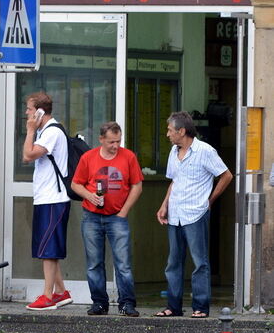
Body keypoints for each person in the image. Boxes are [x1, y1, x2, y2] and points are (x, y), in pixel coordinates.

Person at [155, 111, 233, 318]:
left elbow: (226, 175)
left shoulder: (205, 151)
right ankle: (173, 306)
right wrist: (164, 205)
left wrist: (210, 200)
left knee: (199, 262)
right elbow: (174, 181)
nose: (167, 134)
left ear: (182, 131)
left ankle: (200, 307)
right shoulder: (174, 151)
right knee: (174, 262)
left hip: (196, 213)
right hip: (176, 213)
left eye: (170, 130)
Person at [71, 121, 143, 316]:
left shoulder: (128, 157)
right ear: (101, 139)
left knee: (123, 264)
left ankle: (127, 303)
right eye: (111, 142)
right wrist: (89, 195)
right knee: (94, 262)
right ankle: (99, 303)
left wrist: (124, 211)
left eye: (118, 141)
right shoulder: (88, 157)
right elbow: (76, 184)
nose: (115, 146)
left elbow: (137, 185)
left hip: (117, 217)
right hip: (92, 216)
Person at [22, 91, 73, 311]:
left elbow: (27, 155)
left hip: (54, 198)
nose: (26, 113)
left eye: (30, 109)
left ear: (40, 112)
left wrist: (30, 131)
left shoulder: (51, 132)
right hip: (46, 197)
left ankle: (47, 295)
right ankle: (61, 292)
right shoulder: (46, 131)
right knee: (47, 247)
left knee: (48, 250)